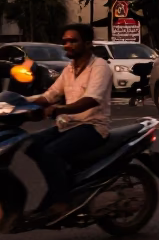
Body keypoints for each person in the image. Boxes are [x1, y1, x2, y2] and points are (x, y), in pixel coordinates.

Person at [23, 23, 112, 223]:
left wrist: (59, 109)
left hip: (93, 127)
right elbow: (51, 95)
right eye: (65, 41)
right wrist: (19, 103)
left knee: (50, 152)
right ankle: (61, 186)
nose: (68, 45)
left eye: (73, 41)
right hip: (70, 125)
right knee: (30, 144)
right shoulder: (69, 70)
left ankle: (62, 203)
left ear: (88, 44)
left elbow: (91, 99)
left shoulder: (100, 67)